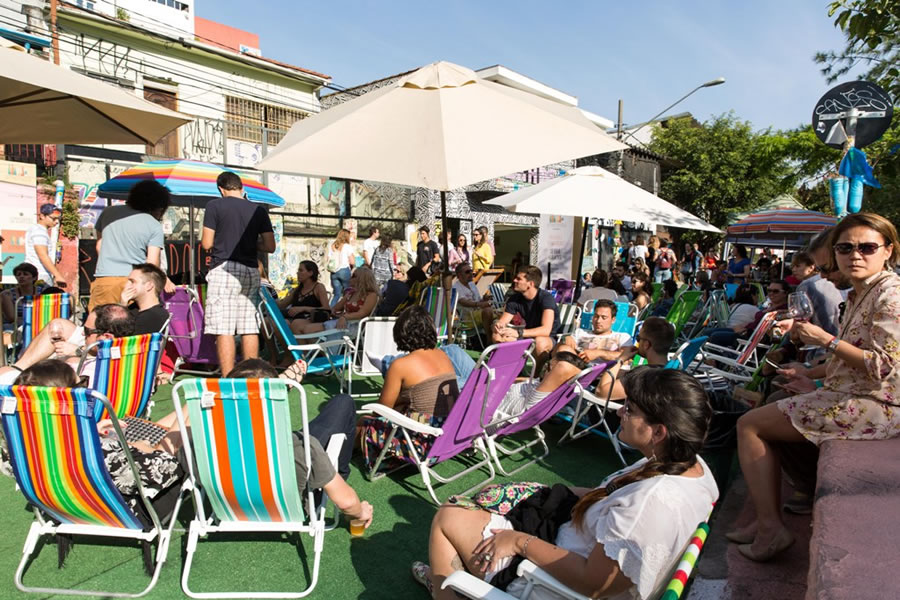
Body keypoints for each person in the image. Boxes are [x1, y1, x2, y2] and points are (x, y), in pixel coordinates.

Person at [414, 367, 717, 600]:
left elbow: (592, 583)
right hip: (562, 542)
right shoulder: (693, 470)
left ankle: (444, 590)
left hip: (545, 583)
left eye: (631, 409)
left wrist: (519, 541)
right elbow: (610, 498)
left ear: (659, 433)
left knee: (448, 515)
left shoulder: (649, 505)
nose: (619, 410)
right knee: (482, 501)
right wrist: (533, 489)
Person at [732, 212, 900, 562]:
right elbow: (850, 362)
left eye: (867, 247)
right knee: (779, 395)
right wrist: (812, 371)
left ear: (888, 251)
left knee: (749, 425)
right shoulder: (861, 294)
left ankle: (769, 527)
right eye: (845, 248)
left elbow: (884, 367)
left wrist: (824, 340)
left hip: (879, 406)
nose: (855, 255)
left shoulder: (891, 296)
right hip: (857, 394)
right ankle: (771, 513)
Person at [5, 359, 187, 522]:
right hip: (132, 509)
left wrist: (93, 432)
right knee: (190, 411)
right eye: (82, 384)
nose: (86, 388)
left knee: (176, 418)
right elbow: (162, 470)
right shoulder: (91, 449)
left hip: (70, 508)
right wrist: (144, 447)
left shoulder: (21, 446)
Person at [357, 305, 459, 470]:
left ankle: (339, 454)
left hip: (423, 445)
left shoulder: (400, 365)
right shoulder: (442, 355)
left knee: (364, 422)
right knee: (401, 406)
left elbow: (381, 411)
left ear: (401, 333)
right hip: (447, 437)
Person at [201, 171, 275, 376]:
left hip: (224, 268)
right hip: (251, 269)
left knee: (224, 326)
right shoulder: (258, 210)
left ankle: (228, 378)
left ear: (221, 189)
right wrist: (250, 243)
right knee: (248, 324)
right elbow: (270, 246)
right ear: (241, 188)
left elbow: (207, 243)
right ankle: (252, 376)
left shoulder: (214, 206)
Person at [0, 303, 135, 386]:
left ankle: (16, 372)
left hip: (32, 389)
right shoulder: (136, 353)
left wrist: (76, 353)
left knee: (3, 374)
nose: (83, 334)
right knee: (59, 324)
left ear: (106, 337)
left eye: (87, 331)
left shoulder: (80, 366)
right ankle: (18, 368)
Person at [89, 181, 172, 311]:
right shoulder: (154, 225)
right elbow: (152, 263)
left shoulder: (108, 213)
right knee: (130, 327)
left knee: (99, 324)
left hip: (104, 279)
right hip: (134, 283)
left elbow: (99, 245)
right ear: (157, 205)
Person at [492, 265, 560, 368]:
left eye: (519, 279)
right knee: (497, 335)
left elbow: (546, 330)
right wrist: (499, 325)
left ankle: (535, 378)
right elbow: (503, 321)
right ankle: (507, 370)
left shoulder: (546, 298)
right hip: (527, 336)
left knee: (539, 342)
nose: (514, 280)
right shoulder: (515, 299)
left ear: (530, 284)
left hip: (549, 338)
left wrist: (518, 333)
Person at [594, 316, 675, 402]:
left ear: (646, 344)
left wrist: (620, 359)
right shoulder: (672, 371)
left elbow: (601, 392)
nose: (637, 343)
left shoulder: (643, 375)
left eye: (638, 339)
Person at [296, 267, 379, 338]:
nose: (350, 278)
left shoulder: (371, 295)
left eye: (354, 276)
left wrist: (344, 317)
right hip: (342, 323)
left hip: (355, 325)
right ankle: (316, 353)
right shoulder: (351, 293)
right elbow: (336, 308)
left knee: (307, 330)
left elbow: (362, 313)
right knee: (302, 328)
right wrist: (334, 313)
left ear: (362, 278)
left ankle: (322, 353)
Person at [794, 239, 843, 337]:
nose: (823, 276)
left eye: (827, 268)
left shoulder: (808, 285)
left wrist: (828, 342)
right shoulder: (853, 293)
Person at [559, 299, 632, 364]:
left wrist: (598, 353)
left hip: (607, 373)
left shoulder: (622, 336)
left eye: (604, 317)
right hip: (578, 369)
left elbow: (626, 355)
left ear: (613, 320)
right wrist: (565, 339)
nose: (598, 321)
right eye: (596, 316)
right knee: (563, 348)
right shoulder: (580, 332)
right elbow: (558, 351)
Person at [276, 260, 330, 335]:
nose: (297, 273)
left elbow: (326, 308)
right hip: (294, 318)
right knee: (268, 322)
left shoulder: (318, 287)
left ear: (310, 273)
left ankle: (292, 345)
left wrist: (303, 308)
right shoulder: (297, 289)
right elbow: (282, 304)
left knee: (291, 324)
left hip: (309, 319)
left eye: (301, 270)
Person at [120, 263, 170, 334]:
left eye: (132, 281)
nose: (126, 286)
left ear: (149, 286)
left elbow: (123, 338)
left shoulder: (154, 317)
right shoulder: (133, 309)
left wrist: (121, 310)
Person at [24, 203, 64, 287]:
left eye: (58, 219)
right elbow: (42, 255)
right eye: (53, 218)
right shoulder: (39, 232)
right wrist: (58, 275)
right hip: (40, 275)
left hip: (35, 274)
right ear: (42, 216)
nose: (57, 221)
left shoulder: (36, 229)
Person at [453, 263, 494, 340]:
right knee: (488, 311)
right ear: (459, 275)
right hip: (468, 317)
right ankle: (489, 340)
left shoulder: (471, 284)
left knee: (502, 312)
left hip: (477, 312)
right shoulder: (456, 287)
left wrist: (484, 299)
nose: (471, 273)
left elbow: (478, 300)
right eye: (467, 272)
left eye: (471, 271)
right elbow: (463, 302)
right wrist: (479, 304)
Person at [1, 263, 44, 330]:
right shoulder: (7, 294)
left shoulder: (43, 292)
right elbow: (12, 318)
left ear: (34, 277)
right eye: (18, 274)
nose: (21, 276)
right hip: (15, 327)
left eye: (25, 274)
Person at [326, 228, 356, 306]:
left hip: (334, 272)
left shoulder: (333, 245)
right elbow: (352, 262)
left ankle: (330, 310)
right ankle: (345, 310)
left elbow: (328, 259)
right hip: (344, 271)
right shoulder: (347, 246)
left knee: (336, 294)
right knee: (347, 293)